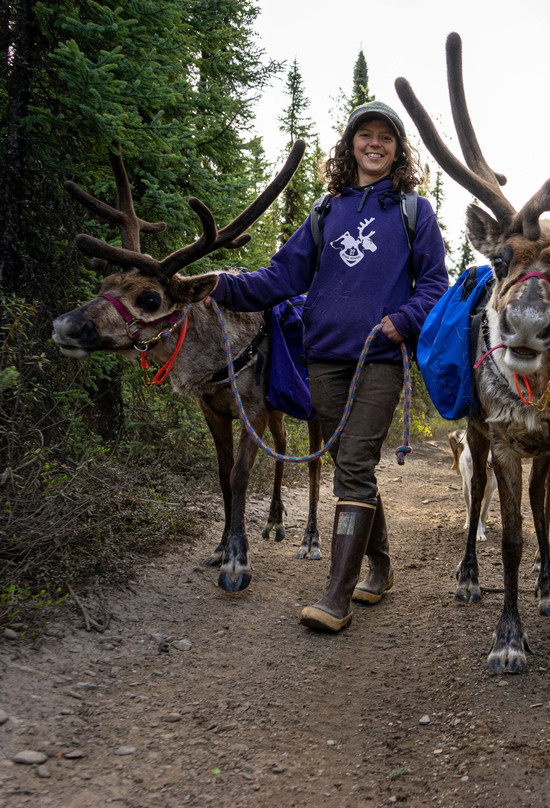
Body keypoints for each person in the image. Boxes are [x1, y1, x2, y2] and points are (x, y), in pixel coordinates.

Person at [208, 101, 449, 633]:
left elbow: (436, 285)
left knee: (355, 466)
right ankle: (380, 566)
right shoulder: (324, 213)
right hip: (323, 361)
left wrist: (403, 320)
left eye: (386, 138)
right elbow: (277, 279)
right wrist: (215, 284)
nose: (375, 144)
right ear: (349, 146)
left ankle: (337, 595)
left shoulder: (414, 212)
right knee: (351, 468)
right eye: (366, 135)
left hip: (380, 359)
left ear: (397, 150)